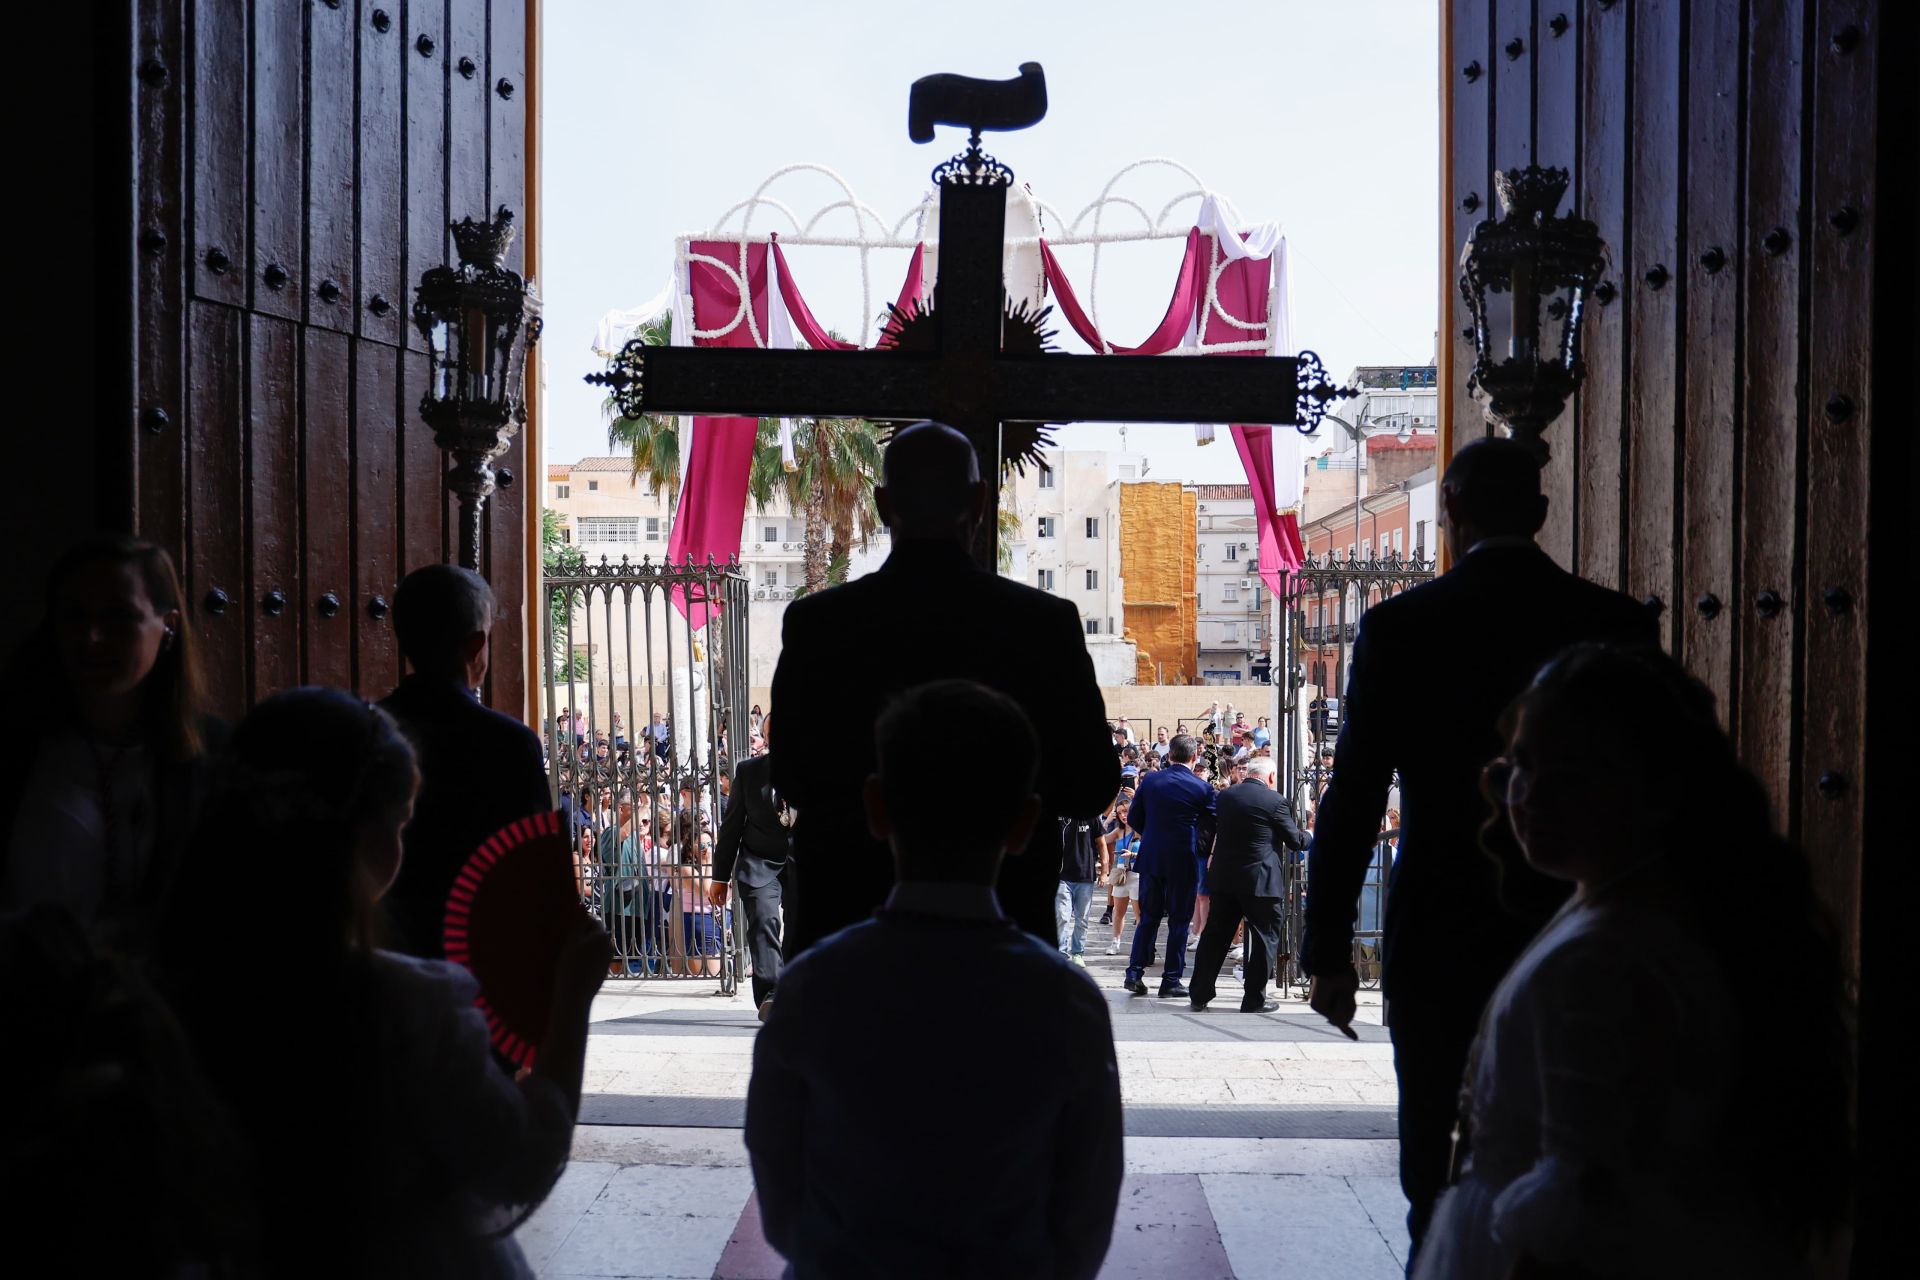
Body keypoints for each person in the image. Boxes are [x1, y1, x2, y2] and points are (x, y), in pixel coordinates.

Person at [1303, 437, 1660, 1265]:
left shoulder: (1400, 627)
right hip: (1579, 920)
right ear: (1540, 513)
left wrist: (1326, 950)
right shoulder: (1615, 623)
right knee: (1583, 1152)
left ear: (1450, 512)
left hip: (1440, 928)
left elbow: (1354, 797)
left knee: (1434, 1170)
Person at [1414, 645, 1853, 1279]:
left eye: (1571, 773)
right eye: (1523, 765)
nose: (1530, 795)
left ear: (1653, 785)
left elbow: (1583, 1210)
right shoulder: (1648, 912)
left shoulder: (1600, 958)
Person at [152, 687, 611, 1277]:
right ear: (367, 837)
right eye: (401, 824)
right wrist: (571, 998)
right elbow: (520, 1161)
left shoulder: (164, 991)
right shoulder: (405, 1008)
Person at [745, 680, 1123, 1280]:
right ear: (1025, 824)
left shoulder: (813, 987)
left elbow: (779, 1186)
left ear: (876, 808)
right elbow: (1086, 1212)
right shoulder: (1067, 1001)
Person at [769, 422, 1119, 956]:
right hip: (1003, 936)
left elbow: (793, 776)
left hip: (848, 931)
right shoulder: (1042, 626)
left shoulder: (820, 625)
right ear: (979, 502)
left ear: (883, 505)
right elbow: (1091, 784)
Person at [2, 535, 225, 954]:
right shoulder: (17, 744)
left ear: (168, 626)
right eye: (74, 616)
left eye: (119, 616)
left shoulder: (214, 755)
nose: (92, 637)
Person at [377, 565, 552, 961]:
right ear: (476, 645)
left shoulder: (368, 729)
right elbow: (532, 875)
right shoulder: (509, 744)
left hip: (383, 952)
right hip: (478, 955)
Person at [1189, 757, 1306, 1013]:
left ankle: (1199, 993)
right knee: (1265, 938)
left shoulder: (1226, 796)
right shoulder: (1275, 801)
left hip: (1225, 879)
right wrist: (1309, 834)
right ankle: (1254, 999)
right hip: (1260, 881)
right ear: (1271, 777)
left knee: (1214, 937)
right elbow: (1295, 841)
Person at [1122, 734, 1215, 998]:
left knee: (1148, 917)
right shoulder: (1202, 787)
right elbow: (1213, 823)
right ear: (1194, 756)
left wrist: (1153, 835)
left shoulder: (1151, 781)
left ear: (1169, 754)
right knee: (1179, 920)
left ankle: (1134, 972)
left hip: (1152, 857)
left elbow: (1134, 817)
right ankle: (1171, 979)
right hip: (1183, 858)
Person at [711, 714, 792, 1017]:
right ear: (766, 738)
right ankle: (772, 994)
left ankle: (797, 988)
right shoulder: (749, 773)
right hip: (759, 862)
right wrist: (720, 877)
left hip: (802, 862)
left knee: (800, 924)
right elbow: (731, 827)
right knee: (763, 919)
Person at [1054, 812, 1101, 965]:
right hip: (1062, 875)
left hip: (1085, 875)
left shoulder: (1091, 815)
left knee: (1082, 919)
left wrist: (1105, 871)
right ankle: (1061, 953)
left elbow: (1101, 842)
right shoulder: (1057, 816)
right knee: (1062, 916)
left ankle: (1078, 952)